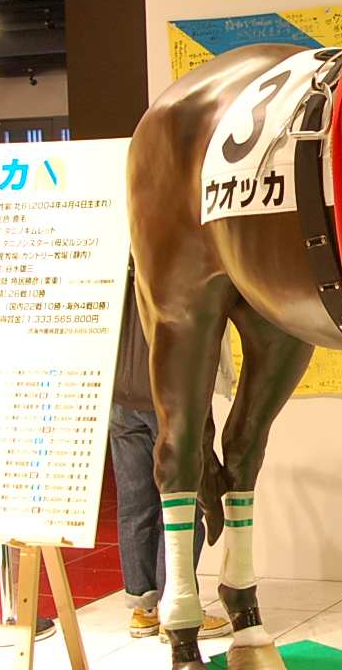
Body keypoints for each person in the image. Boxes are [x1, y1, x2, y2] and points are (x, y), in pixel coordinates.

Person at [110, 265, 232, 642]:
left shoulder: (114, 263)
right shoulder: (171, 261)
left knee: (135, 504)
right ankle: (173, 604)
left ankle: (143, 609)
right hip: (167, 398)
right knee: (182, 503)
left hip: (118, 395)